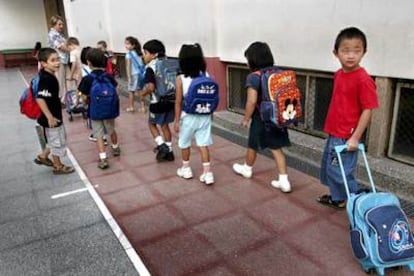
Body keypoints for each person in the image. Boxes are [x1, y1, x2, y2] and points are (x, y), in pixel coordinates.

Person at [317, 27, 379, 209]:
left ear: (364, 53)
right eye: (345, 50)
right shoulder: (339, 74)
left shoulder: (363, 79)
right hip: (335, 132)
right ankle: (339, 198)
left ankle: (358, 202)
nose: (351, 55)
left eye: (356, 50)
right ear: (336, 53)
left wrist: (355, 137)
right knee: (331, 168)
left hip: (347, 136)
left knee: (340, 171)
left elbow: (368, 109)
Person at [232, 42, 292, 192]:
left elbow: (252, 101)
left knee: (253, 143)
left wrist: (246, 118)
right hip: (278, 117)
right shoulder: (278, 73)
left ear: (253, 60)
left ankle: (247, 168)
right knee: (276, 147)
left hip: (261, 118)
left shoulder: (254, 77)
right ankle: (283, 180)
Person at [174, 43, 214, 185]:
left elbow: (178, 102)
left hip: (188, 116)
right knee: (203, 144)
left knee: (184, 143)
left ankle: (186, 169)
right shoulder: (207, 75)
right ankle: (208, 173)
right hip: (205, 115)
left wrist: (177, 121)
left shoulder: (181, 78)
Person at [78, 48, 121, 169]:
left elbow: (84, 97)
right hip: (110, 110)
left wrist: (86, 102)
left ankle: (103, 158)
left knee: (98, 134)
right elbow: (117, 90)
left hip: (95, 111)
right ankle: (115, 147)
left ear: (89, 62)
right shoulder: (108, 76)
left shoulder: (87, 79)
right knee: (111, 129)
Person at [35, 48, 75, 174]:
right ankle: (58, 166)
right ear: (44, 63)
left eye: (58, 59)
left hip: (52, 115)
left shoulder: (47, 75)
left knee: (54, 139)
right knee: (57, 141)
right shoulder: (47, 79)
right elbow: (40, 99)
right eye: (53, 60)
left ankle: (43, 156)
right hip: (52, 118)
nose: (57, 62)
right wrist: (50, 117)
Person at [140, 39, 175, 162]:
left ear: (153, 54)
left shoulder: (150, 68)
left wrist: (142, 94)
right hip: (171, 100)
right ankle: (170, 151)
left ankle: (161, 145)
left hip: (157, 102)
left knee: (152, 124)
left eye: (145, 53)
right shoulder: (167, 63)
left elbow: (151, 87)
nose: (143, 56)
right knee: (165, 125)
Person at [47, 15, 69, 103]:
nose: (61, 26)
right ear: (53, 24)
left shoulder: (59, 34)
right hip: (58, 60)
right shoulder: (52, 34)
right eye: (59, 24)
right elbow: (60, 47)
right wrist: (72, 50)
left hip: (64, 59)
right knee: (60, 80)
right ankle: (60, 100)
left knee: (67, 79)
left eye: (62, 24)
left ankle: (67, 98)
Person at [124, 36, 145, 113]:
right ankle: (143, 107)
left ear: (133, 45)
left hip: (133, 75)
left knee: (131, 91)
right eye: (125, 44)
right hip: (140, 74)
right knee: (140, 91)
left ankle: (131, 107)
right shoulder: (139, 53)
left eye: (128, 44)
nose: (126, 45)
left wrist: (129, 78)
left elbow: (128, 67)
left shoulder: (128, 55)